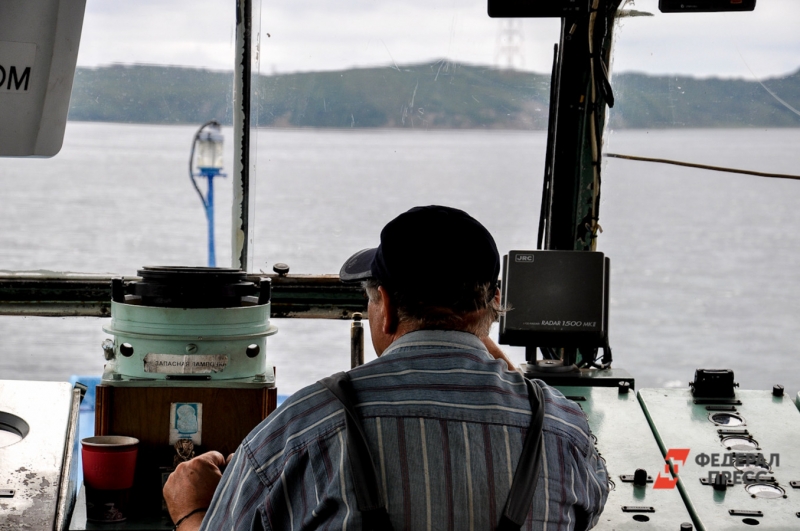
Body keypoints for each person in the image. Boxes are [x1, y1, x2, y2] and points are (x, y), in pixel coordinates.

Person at [164, 205, 608, 530]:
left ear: (387, 307)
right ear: (494, 303)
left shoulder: (302, 429)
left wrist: (191, 510)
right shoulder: (562, 431)